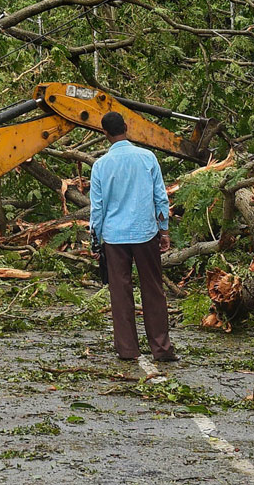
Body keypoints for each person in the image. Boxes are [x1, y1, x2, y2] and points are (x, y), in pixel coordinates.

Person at [89, 111, 178, 363]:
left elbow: (98, 208)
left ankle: (127, 349)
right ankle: (161, 348)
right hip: (145, 232)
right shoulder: (147, 157)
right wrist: (164, 230)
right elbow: (160, 198)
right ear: (126, 127)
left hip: (115, 237)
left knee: (120, 292)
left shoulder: (100, 166)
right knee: (153, 289)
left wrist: (96, 241)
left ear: (105, 134)